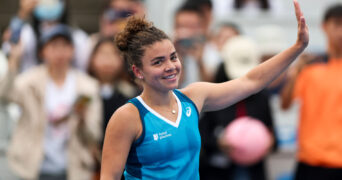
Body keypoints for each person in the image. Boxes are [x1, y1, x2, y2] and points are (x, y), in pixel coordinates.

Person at [100, 0, 308, 179]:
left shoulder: (193, 97)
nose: (171, 66)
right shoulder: (128, 116)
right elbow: (109, 177)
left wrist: (297, 47)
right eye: (158, 62)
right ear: (138, 71)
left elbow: (251, 81)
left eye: (173, 57)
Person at [1, 24, 102, 180]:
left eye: (65, 46)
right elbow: (4, 95)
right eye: (54, 46)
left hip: (73, 169)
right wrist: (14, 60)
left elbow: (94, 135)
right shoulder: (30, 81)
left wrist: (83, 119)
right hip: (30, 166)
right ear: (43, 51)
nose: (59, 52)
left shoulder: (87, 87)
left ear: (72, 50)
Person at [199, 36, 275, 180]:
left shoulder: (262, 97)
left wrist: (268, 142)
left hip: (253, 170)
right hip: (218, 172)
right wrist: (218, 143)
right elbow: (201, 135)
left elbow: (273, 135)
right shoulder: (215, 94)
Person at [281, 4, 342, 180]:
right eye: (337, 24)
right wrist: (294, 72)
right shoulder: (309, 67)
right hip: (311, 160)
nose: (341, 31)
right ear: (324, 26)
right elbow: (285, 104)